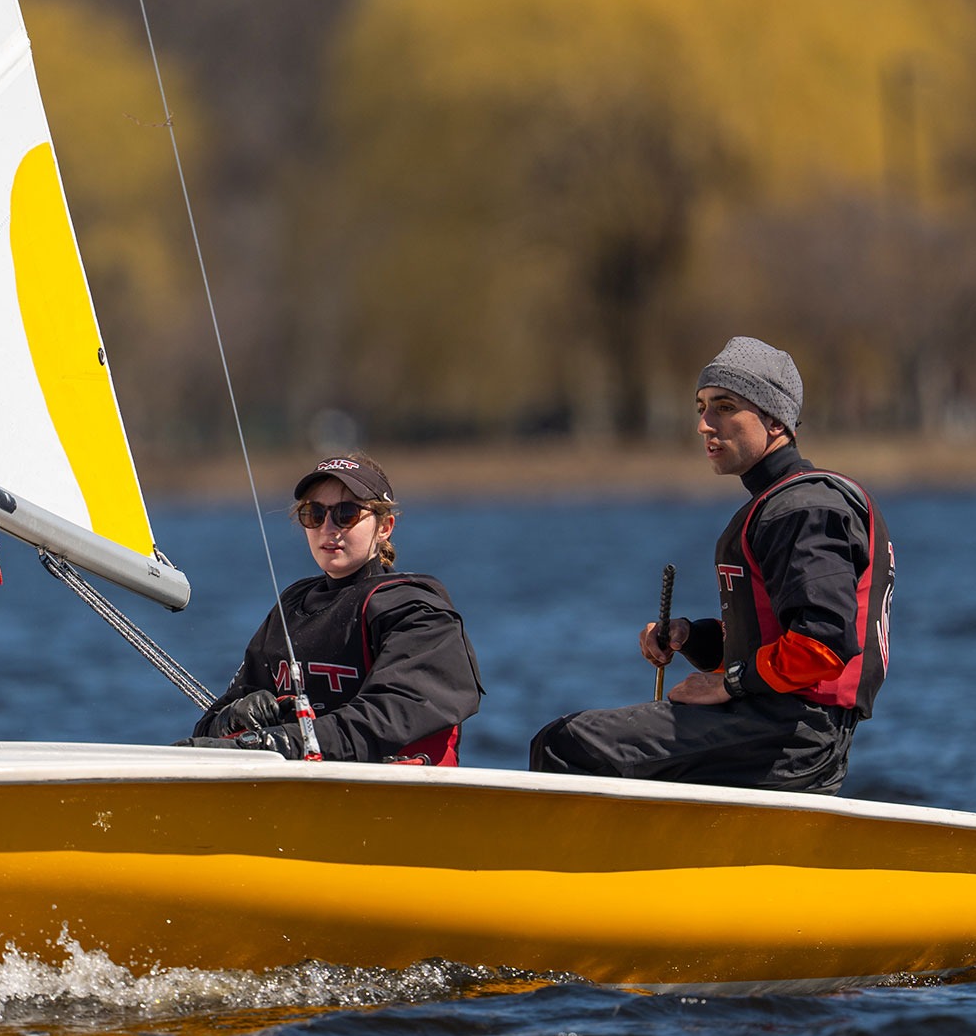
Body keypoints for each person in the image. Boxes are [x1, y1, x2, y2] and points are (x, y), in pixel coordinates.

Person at [529, 337, 894, 794]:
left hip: (793, 737)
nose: (704, 424)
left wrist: (730, 684)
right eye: (701, 407)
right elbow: (773, 645)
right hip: (770, 725)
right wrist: (692, 637)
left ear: (775, 420)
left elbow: (823, 645)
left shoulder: (804, 508)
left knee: (568, 744)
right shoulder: (783, 503)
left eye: (724, 407)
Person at [177, 452, 484, 764]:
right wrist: (230, 719)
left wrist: (280, 743)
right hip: (298, 784)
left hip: (394, 788)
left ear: (384, 527)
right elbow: (208, 725)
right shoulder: (292, 605)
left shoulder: (416, 612)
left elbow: (388, 718)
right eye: (314, 514)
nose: (328, 527)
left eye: (346, 513)